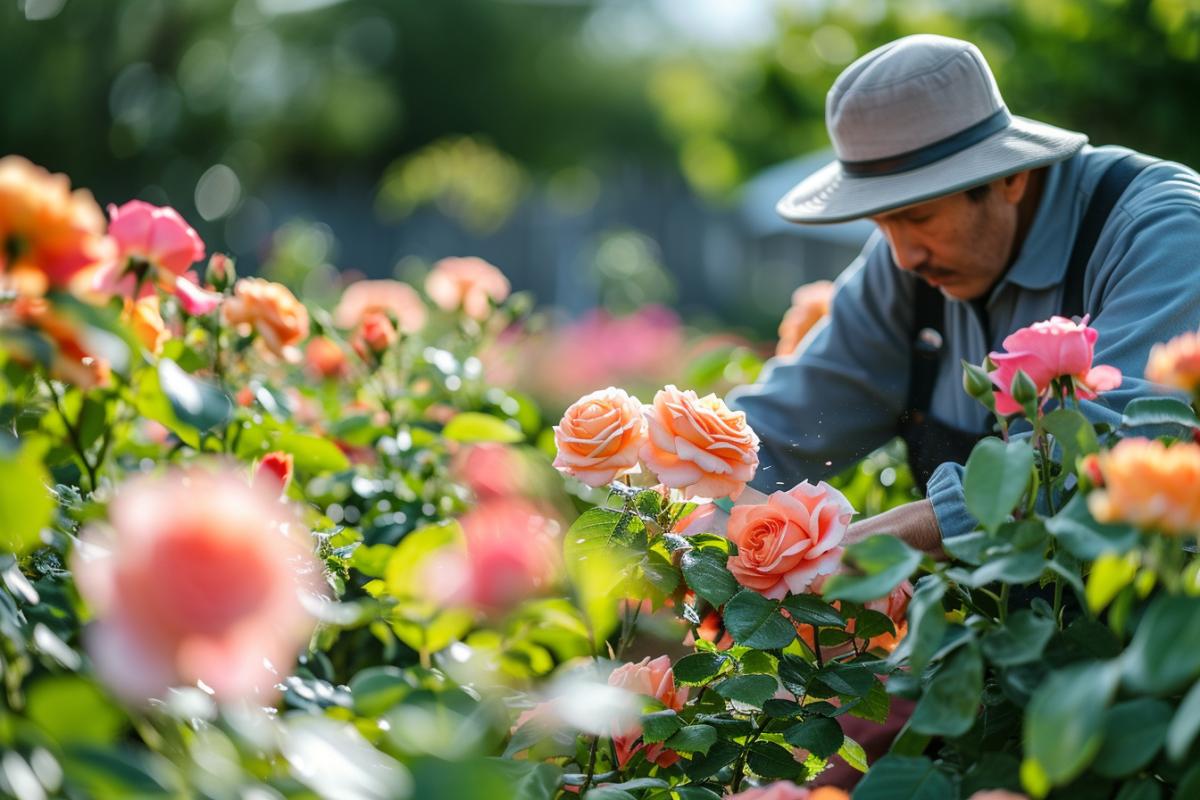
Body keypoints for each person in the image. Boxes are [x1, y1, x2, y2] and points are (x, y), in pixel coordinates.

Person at [715, 34, 1200, 553]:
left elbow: (1104, 462)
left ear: (1009, 178)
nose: (903, 257)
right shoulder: (905, 266)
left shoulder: (1165, 235)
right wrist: (686, 520)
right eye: (880, 223)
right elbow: (783, 429)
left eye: (918, 216)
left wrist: (854, 555)